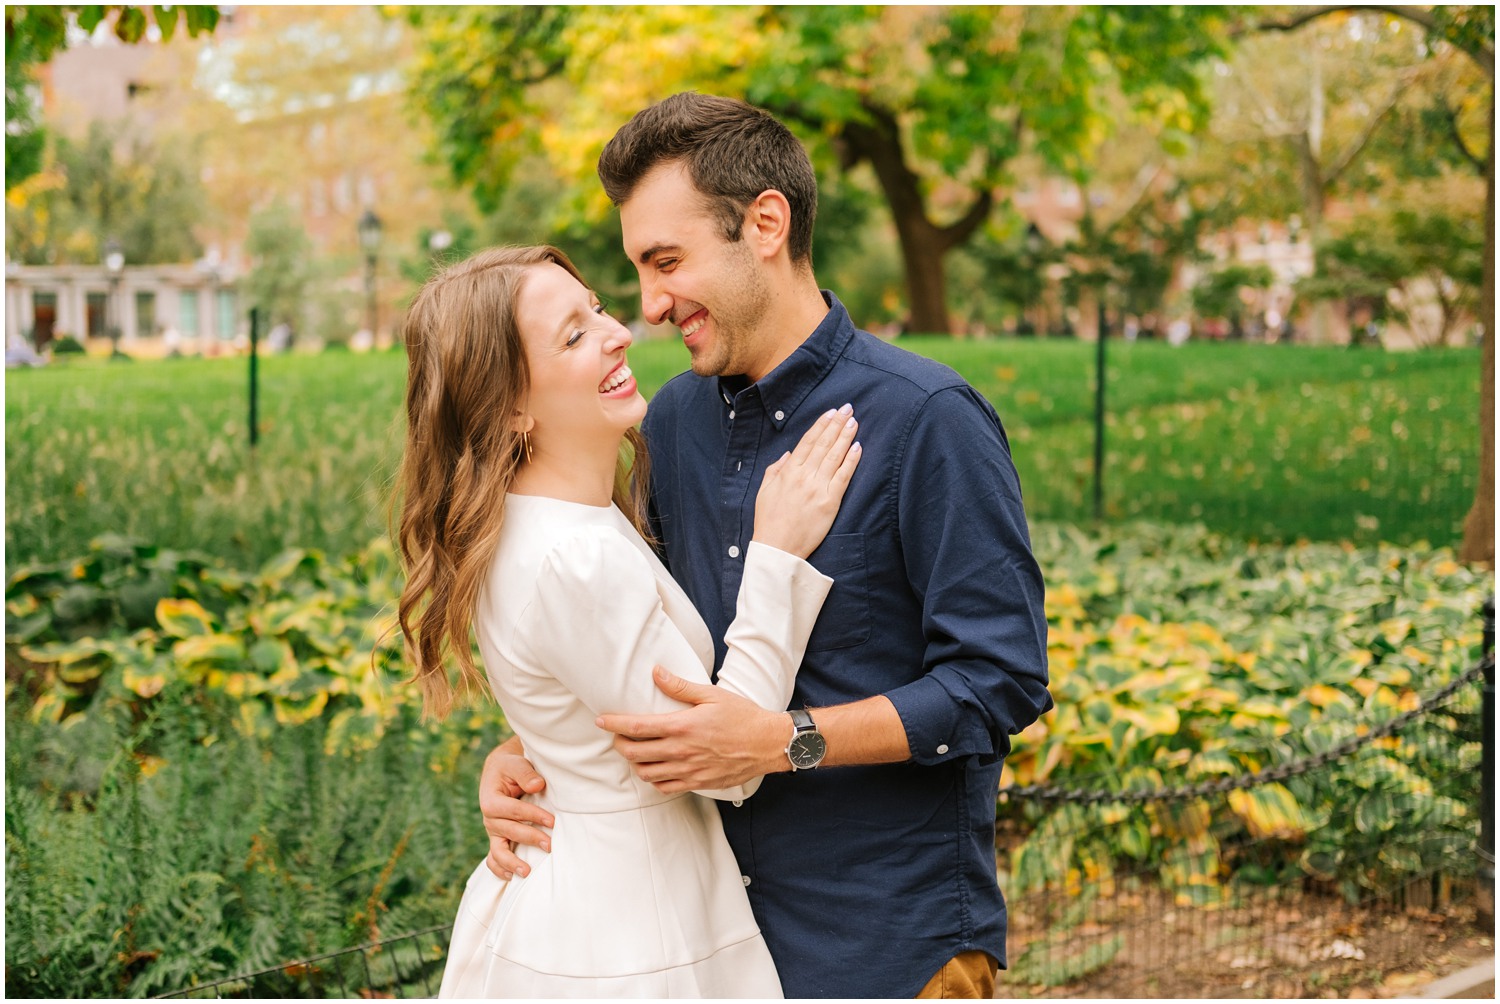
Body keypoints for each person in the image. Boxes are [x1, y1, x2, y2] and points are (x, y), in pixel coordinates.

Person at [479, 92, 1052, 999]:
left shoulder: (927, 420)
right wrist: (530, 754)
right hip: (712, 946)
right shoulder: (667, 426)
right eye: (637, 271)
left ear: (766, 225)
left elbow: (999, 684)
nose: (651, 306)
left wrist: (788, 742)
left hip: (887, 948)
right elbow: (633, 639)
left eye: (666, 262)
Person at [393, 245, 864, 997]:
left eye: (597, 311)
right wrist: (776, 555)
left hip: (592, 893)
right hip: (632, 932)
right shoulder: (573, 557)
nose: (617, 333)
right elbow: (720, 765)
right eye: (574, 336)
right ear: (512, 407)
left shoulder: (537, 525)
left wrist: (533, 748)